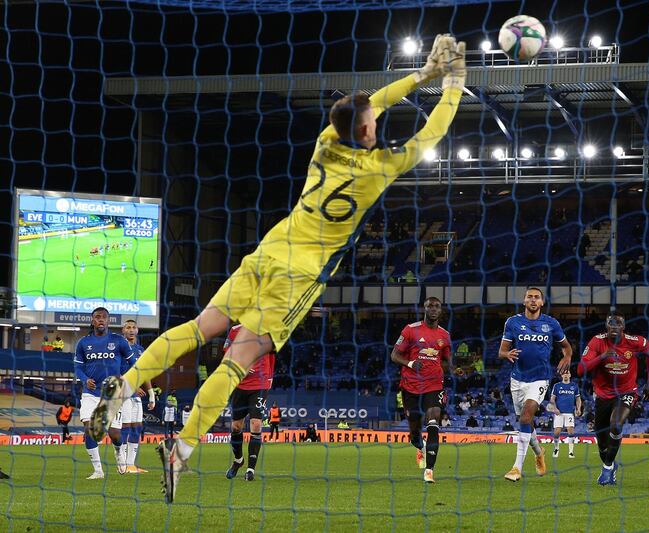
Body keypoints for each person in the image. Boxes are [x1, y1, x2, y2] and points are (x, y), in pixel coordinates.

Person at [88, 33, 467, 503]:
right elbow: (430, 133)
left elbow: (369, 104)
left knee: (200, 326)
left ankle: (124, 386)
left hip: (270, 249)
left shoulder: (327, 142)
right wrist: (452, 81)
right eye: (371, 118)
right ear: (369, 130)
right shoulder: (380, 168)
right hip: (299, 275)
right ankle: (181, 452)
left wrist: (422, 73)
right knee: (237, 361)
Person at [499, 287, 572, 482]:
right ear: (524, 301)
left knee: (526, 416)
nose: (533, 300)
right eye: (529, 297)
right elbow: (502, 351)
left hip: (540, 378)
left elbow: (566, 347)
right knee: (525, 422)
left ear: (542, 302)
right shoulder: (513, 322)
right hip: (517, 379)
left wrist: (568, 357)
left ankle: (516, 468)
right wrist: (507, 354)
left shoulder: (551, 323)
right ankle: (539, 452)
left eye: (536, 297)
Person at [578, 313, 649, 486]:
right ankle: (610, 464)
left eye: (618, 324)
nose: (614, 327)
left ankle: (606, 470)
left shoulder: (634, 341)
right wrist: (601, 357)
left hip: (627, 392)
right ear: (606, 327)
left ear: (623, 327)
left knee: (616, 424)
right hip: (603, 396)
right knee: (602, 446)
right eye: (610, 324)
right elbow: (580, 369)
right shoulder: (597, 342)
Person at [390, 296, 457, 484]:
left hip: (434, 384)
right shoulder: (411, 330)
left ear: (441, 311)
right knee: (414, 430)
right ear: (424, 309)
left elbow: (448, 358)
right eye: (430, 306)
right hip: (411, 385)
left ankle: (429, 470)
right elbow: (394, 355)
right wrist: (410, 362)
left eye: (437, 306)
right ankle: (418, 444)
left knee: (433, 419)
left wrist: (454, 368)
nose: (434, 309)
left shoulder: (444, 335)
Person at [73, 307, 134, 479]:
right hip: (90, 393)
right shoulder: (83, 343)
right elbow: (78, 367)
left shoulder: (119, 341)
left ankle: (118, 451)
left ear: (108, 321)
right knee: (89, 428)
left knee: (114, 434)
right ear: (93, 321)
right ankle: (98, 471)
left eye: (104, 317)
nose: (101, 320)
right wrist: (85, 379)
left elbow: (133, 364)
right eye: (97, 317)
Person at [224, 324, 276, 481]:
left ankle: (251, 469)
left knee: (256, 425)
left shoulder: (270, 330)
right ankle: (238, 461)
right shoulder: (235, 331)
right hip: (240, 385)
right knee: (236, 426)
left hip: (260, 384)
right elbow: (227, 353)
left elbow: (273, 355)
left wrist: (269, 377)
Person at [120, 320, 156, 474]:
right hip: (123, 393)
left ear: (138, 330)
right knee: (125, 428)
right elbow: (117, 372)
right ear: (123, 330)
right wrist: (134, 386)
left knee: (137, 428)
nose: (131, 330)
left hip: (137, 395)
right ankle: (121, 464)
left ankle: (131, 465)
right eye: (128, 327)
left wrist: (151, 393)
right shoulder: (119, 348)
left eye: (134, 327)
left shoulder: (141, 350)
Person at [550, 370, 582, 459]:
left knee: (571, 430)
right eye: (564, 373)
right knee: (557, 432)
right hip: (559, 412)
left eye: (567, 373)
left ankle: (571, 452)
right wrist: (555, 408)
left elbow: (578, 399)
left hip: (569, 413)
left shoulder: (574, 386)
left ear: (570, 375)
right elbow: (552, 399)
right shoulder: (557, 386)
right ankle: (556, 448)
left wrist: (578, 408)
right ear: (561, 375)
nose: (566, 375)